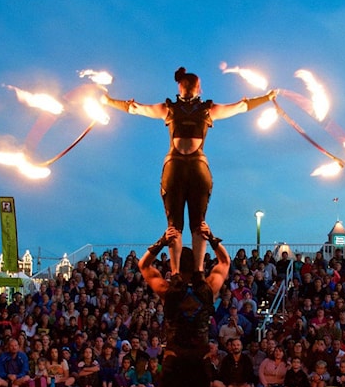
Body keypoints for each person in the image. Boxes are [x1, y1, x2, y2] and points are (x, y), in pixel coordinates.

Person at [104, 67, 274, 275]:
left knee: (186, 224)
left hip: (187, 167)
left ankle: (188, 271)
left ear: (182, 86)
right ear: (197, 88)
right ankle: (191, 271)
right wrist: (266, 98)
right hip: (183, 167)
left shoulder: (193, 109)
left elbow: (136, 108)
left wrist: (266, 98)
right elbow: (240, 106)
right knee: (187, 224)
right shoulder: (181, 108)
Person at [139, 223, 230, 387]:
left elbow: (145, 266)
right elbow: (224, 261)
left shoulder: (169, 290)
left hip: (175, 357)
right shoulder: (209, 287)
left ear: (175, 265)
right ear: (199, 265)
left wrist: (161, 241)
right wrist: (211, 237)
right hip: (200, 358)